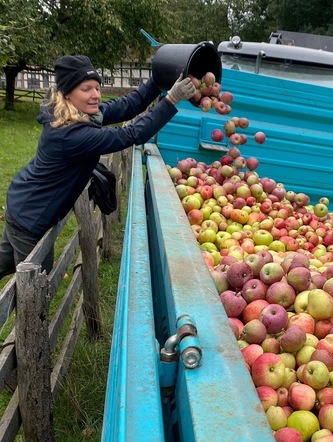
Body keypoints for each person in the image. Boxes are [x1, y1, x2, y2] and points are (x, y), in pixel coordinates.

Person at [0, 55, 196, 279]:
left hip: (22, 202)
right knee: (37, 282)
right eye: (86, 89)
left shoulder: (78, 114)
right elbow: (131, 134)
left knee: (4, 262)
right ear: (67, 93)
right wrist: (170, 100)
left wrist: (157, 81)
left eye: (97, 88)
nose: (95, 95)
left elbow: (125, 106)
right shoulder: (71, 133)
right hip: (30, 218)